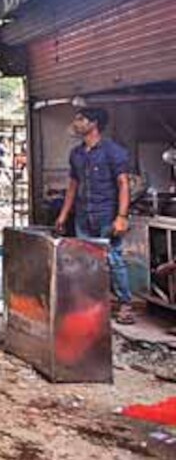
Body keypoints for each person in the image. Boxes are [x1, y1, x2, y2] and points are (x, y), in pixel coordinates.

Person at [53, 107, 134, 324]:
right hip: (83, 216)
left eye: (81, 119)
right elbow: (72, 186)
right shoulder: (76, 154)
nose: (76, 123)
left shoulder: (113, 151)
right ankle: (92, 303)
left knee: (114, 259)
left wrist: (122, 216)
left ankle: (125, 304)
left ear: (94, 123)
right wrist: (63, 215)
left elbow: (123, 183)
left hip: (107, 214)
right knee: (86, 260)